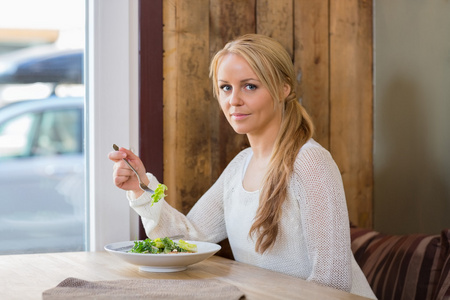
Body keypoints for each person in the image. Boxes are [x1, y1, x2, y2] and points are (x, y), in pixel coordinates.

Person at [109, 34, 376, 299]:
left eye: (249, 86)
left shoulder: (310, 162)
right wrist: (141, 188)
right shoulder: (239, 166)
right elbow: (185, 241)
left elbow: (333, 282)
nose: (233, 100)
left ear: (284, 89)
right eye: (226, 87)